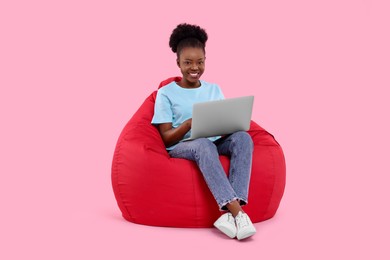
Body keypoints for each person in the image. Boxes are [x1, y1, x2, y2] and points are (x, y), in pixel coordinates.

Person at [151, 23, 256, 240]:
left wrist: (231, 123)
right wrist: (189, 125)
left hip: (213, 140)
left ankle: (229, 216)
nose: (194, 68)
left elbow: (223, 122)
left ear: (205, 61)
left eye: (200, 62)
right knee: (203, 144)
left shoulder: (213, 89)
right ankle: (239, 213)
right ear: (178, 63)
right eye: (188, 62)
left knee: (243, 138)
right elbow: (165, 137)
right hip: (182, 146)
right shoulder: (165, 93)